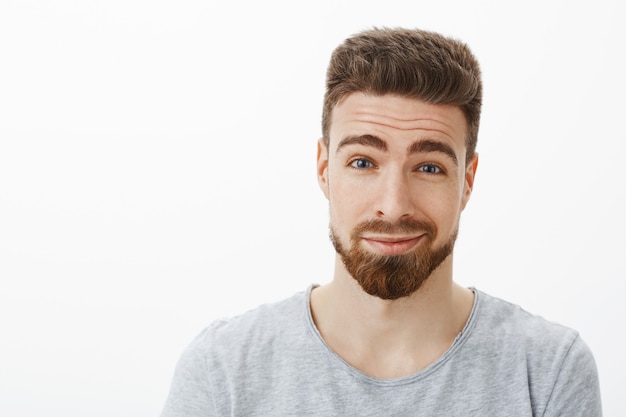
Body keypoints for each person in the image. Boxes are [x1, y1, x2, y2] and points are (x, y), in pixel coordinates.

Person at [160, 27, 602, 416]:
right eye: (363, 161)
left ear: (467, 181)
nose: (392, 207)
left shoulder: (548, 372)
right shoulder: (222, 370)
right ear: (323, 168)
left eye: (429, 167)